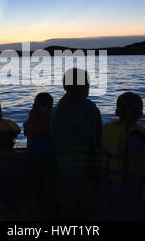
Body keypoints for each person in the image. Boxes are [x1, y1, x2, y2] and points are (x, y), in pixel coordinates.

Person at [96, 92, 145, 220]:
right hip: (126, 189)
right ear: (140, 113)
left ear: (117, 111)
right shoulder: (135, 136)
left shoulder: (109, 128)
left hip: (107, 185)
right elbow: (135, 169)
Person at [49, 68, 102, 220]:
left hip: (61, 170)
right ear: (85, 85)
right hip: (86, 170)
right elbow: (99, 139)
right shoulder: (91, 108)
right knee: (85, 211)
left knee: (66, 210)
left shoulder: (56, 110)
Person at [23, 92, 55, 220]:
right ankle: (48, 211)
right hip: (50, 154)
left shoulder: (31, 118)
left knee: (33, 185)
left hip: (33, 155)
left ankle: (32, 211)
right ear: (51, 105)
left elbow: (26, 129)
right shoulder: (54, 116)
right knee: (48, 183)